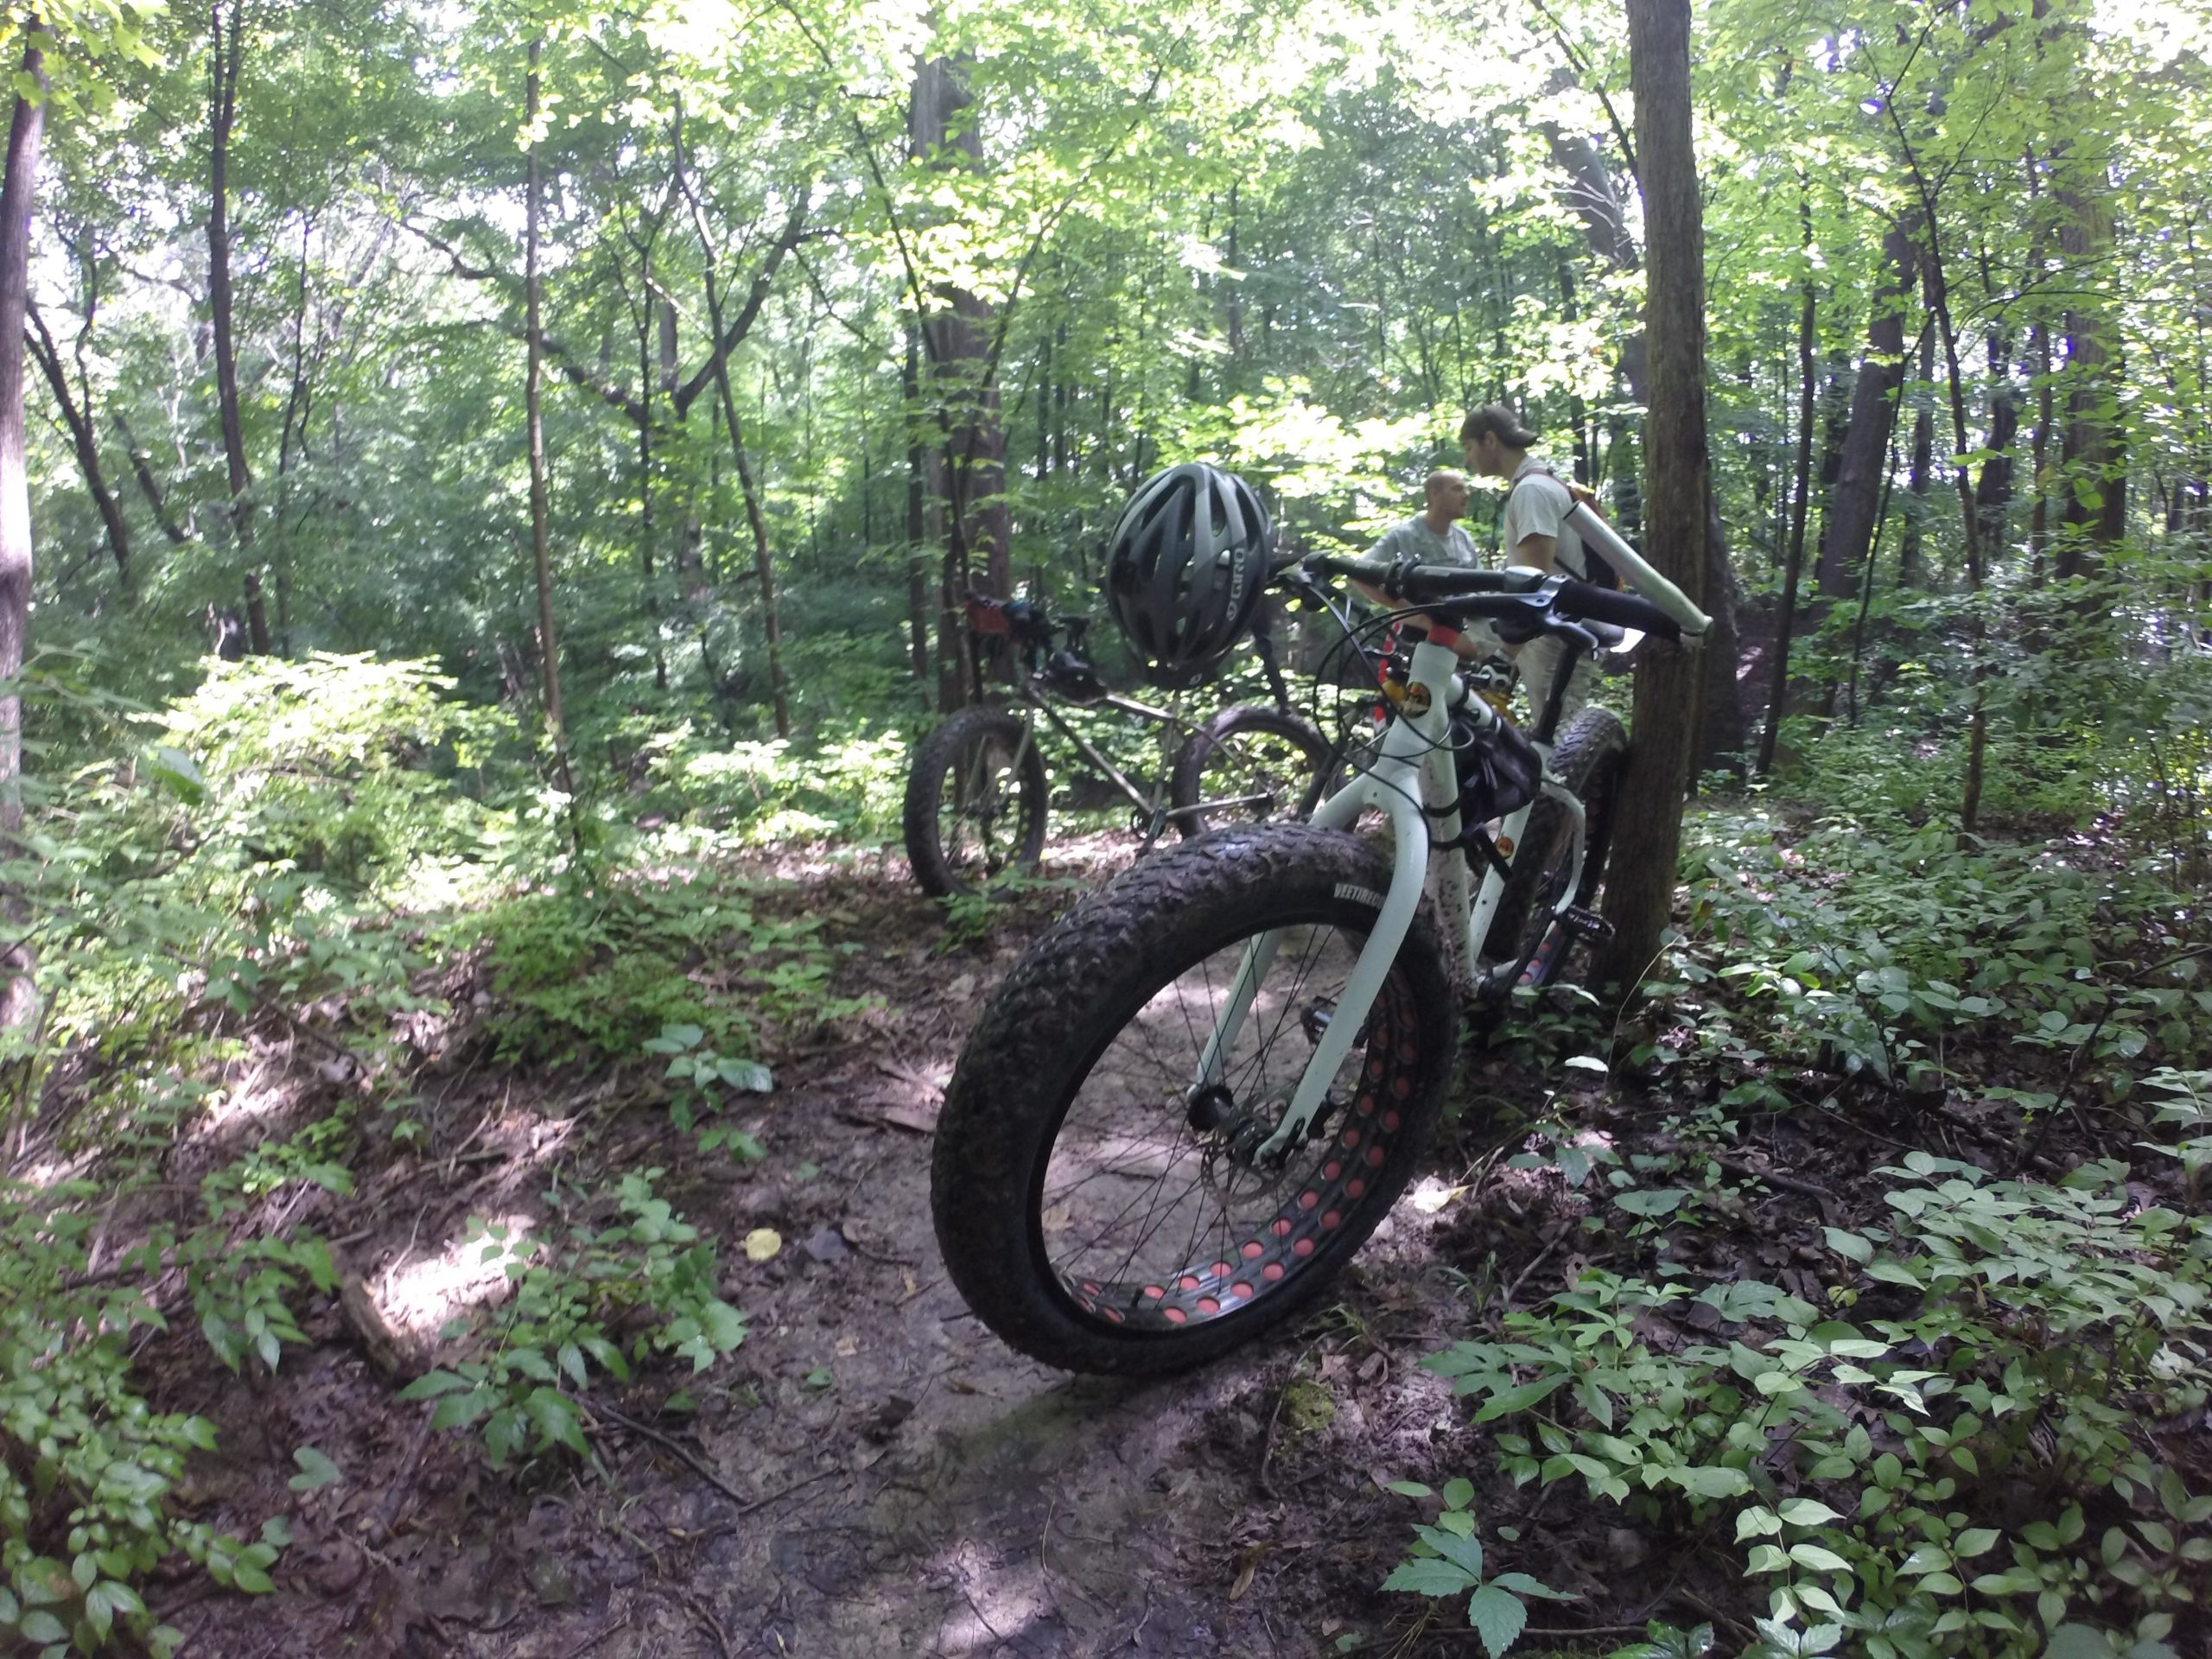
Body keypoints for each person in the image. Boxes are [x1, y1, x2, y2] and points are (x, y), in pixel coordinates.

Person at [1460, 403, 1594, 724]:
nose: (1467, 459)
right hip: (1553, 633)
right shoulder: (1540, 482)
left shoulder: (1532, 491)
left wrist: (1506, 655)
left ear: (1490, 440)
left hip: (1554, 639)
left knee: (1559, 748)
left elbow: (1536, 585)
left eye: (1469, 447)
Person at [1352, 468, 1494, 661]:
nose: (1467, 495)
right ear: (1435, 494)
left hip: (1459, 638)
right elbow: (1359, 574)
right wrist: (1411, 614)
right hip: (1413, 642)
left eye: (1466, 489)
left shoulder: (1463, 540)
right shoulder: (1404, 536)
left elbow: (1481, 592)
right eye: (1458, 489)